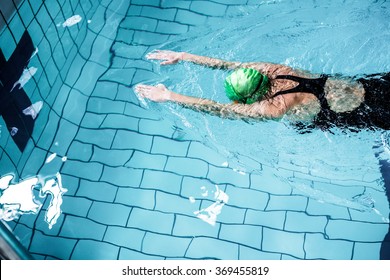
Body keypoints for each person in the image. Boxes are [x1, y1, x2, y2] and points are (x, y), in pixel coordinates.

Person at [135, 50, 390, 131]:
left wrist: (169, 96)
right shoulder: (271, 69)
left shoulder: (273, 107)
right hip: (368, 85)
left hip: (362, 114)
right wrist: (184, 56)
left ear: (252, 97)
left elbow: (218, 109)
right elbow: (226, 65)